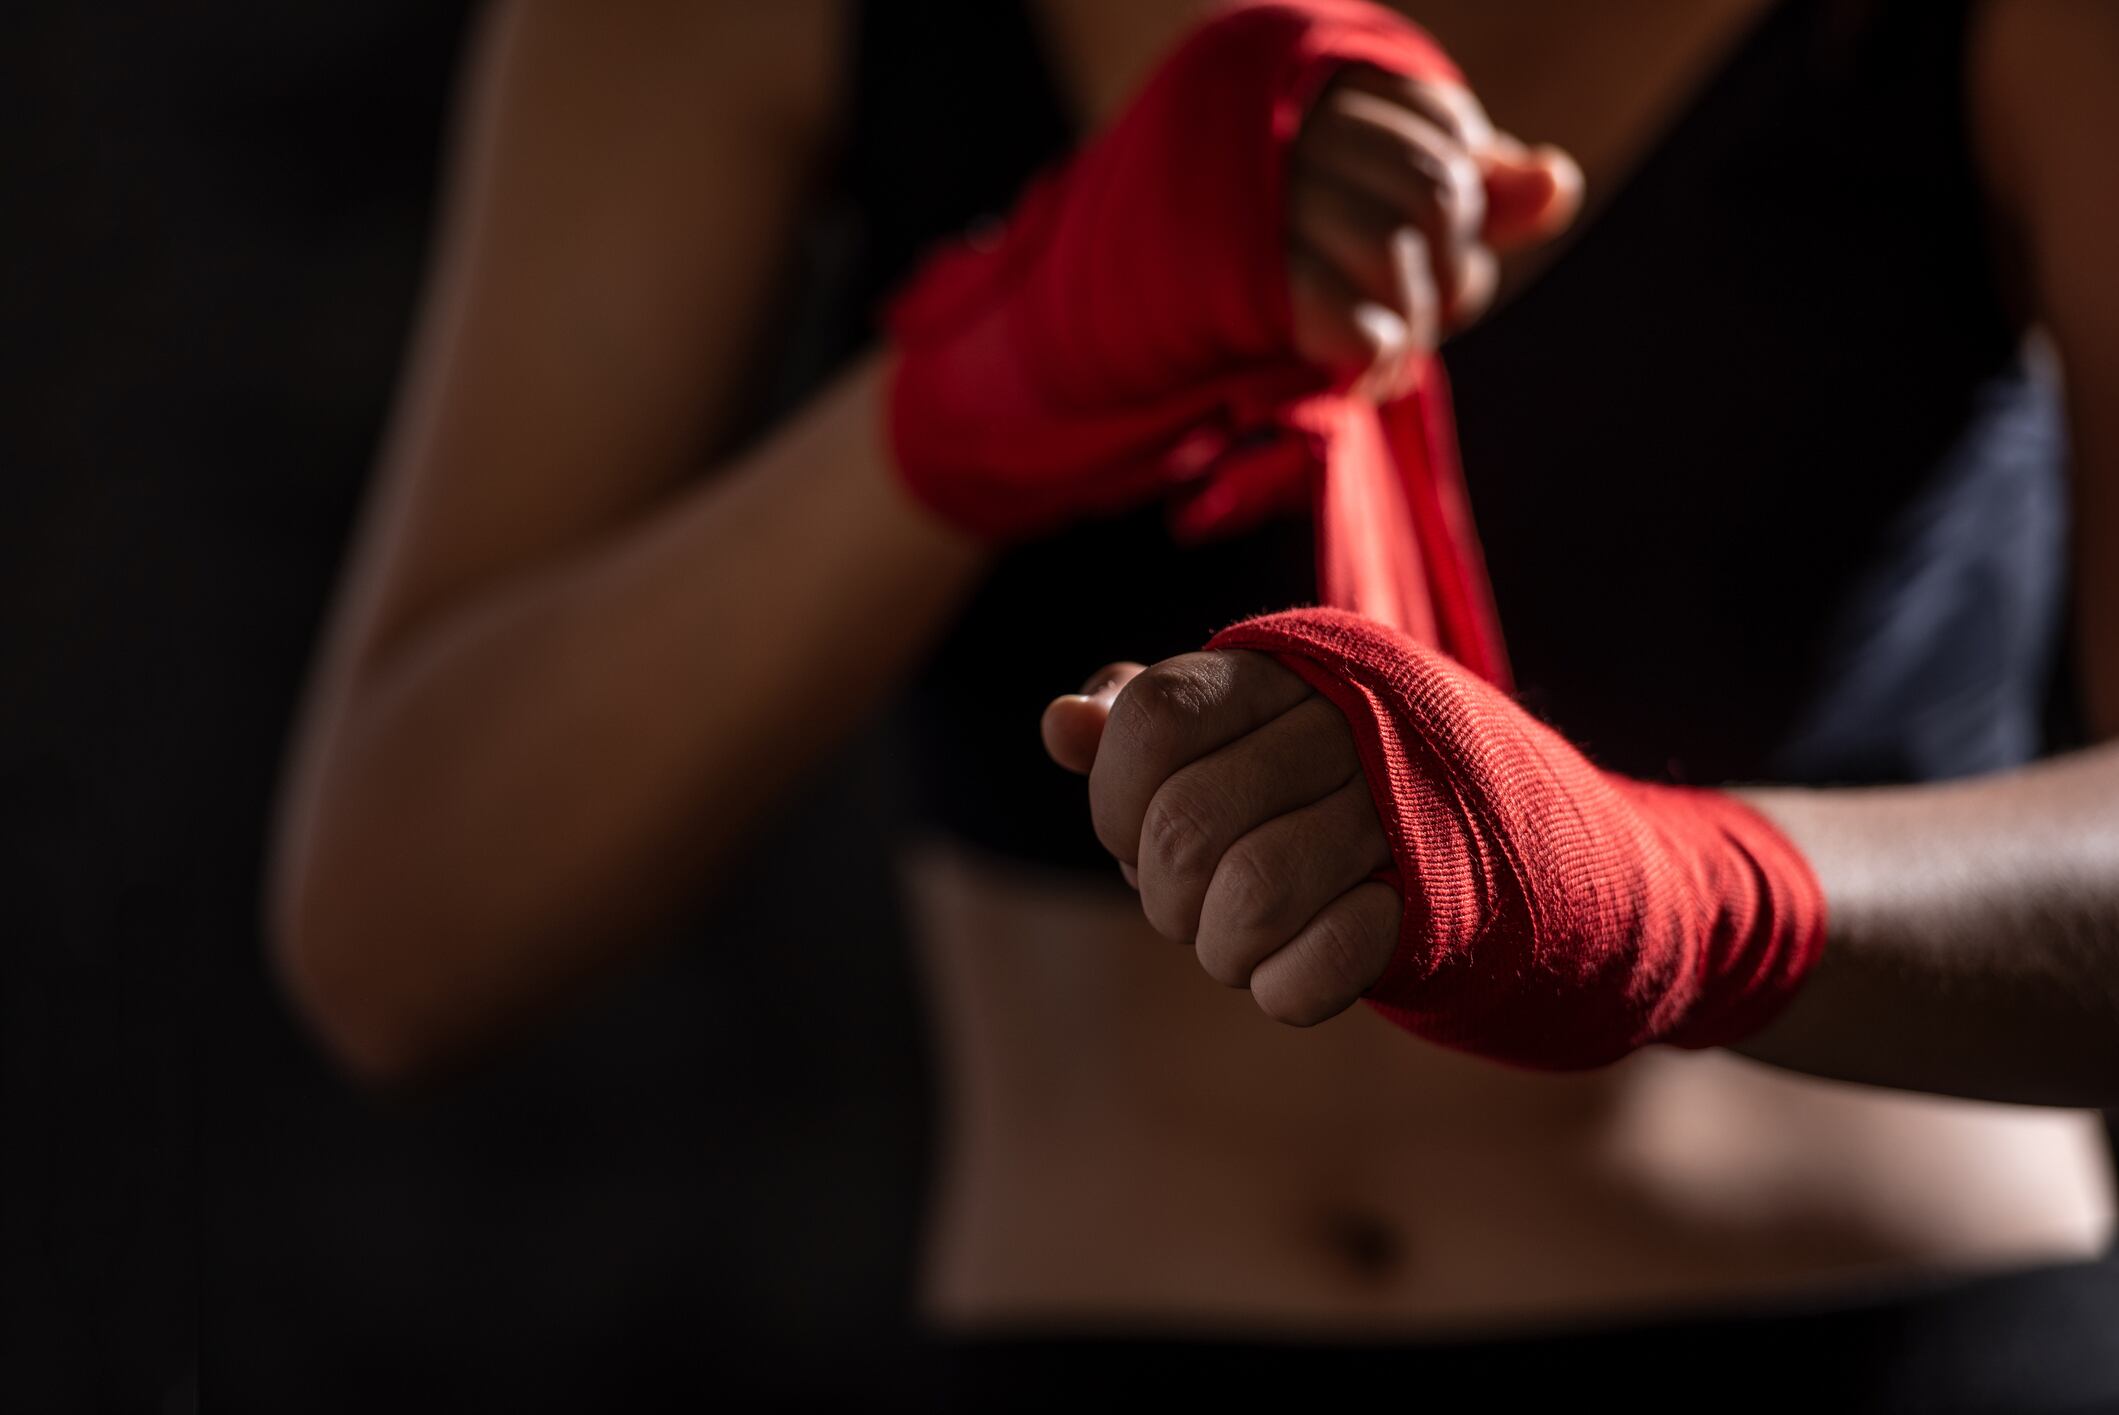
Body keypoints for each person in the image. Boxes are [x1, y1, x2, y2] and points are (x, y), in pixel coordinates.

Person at [268, 0, 2119, 1402]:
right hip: (1097, 1332)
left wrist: (1654, 897)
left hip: (1890, 1342)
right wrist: (986, 379)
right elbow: (396, 934)